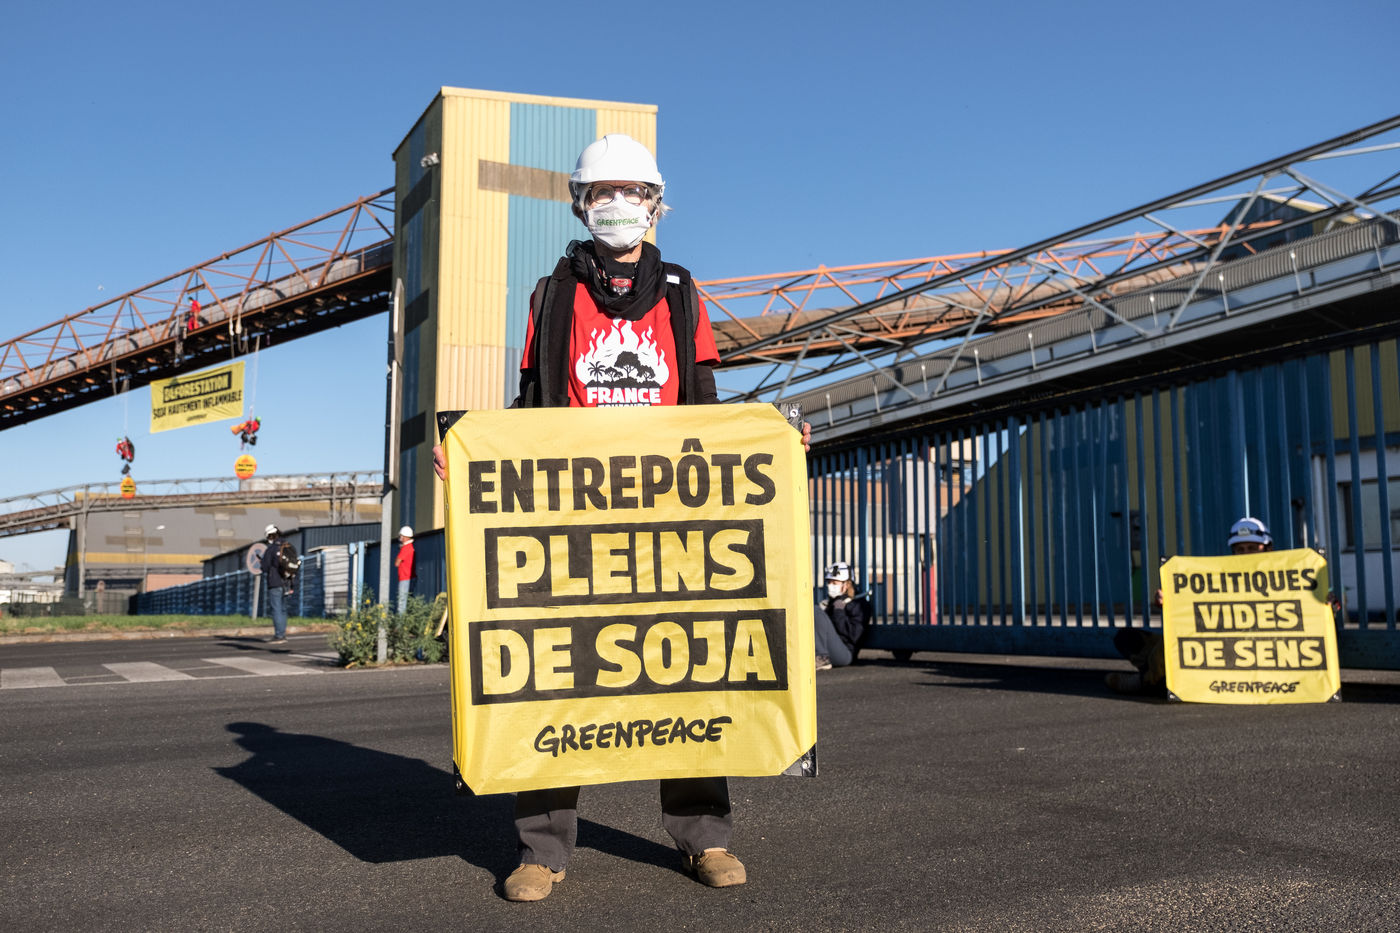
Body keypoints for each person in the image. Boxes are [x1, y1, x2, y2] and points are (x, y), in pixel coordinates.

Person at [432, 134, 810, 903]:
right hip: (573, 518)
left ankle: (704, 837)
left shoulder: (680, 291)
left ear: (654, 203)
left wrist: (768, 443)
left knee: (688, 666)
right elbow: (531, 404)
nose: (617, 204)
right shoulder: (552, 294)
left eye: (632, 191)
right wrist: (472, 456)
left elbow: (704, 402)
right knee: (556, 670)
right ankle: (541, 849)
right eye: (602, 191)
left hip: (668, 515)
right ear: (580, 204)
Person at [1107, 516, 1275, 696]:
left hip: (1250, 652)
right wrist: (1170, 601)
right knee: (1129, 638)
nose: (1245, 554)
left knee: (1170, 653)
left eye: (1252, 548)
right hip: (1213, 649)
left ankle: (1146, 682)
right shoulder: (1219, 578)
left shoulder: (1283, 579)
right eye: (1240, 549)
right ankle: (1157, 673)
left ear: (1267, 549)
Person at [814, 561, 870, 669]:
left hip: (845, 653)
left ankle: (822, 658)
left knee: (815, 610)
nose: (830, 586)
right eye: (829, 582)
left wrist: (838, 612)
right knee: (815, 611)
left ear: (847, 584)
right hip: (832, 650)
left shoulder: (859, 605)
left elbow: (854, 635)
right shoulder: (832, 603)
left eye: (835, 583)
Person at [258, 524, 293, 645]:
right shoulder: (288, 546)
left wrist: (261, 562)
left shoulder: (272, 549)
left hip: (275, 582)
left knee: (276, 609)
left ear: (270, 535)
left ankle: (279, 635)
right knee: (283, 609)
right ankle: (282, 634)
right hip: (287, 582)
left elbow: (265, 567)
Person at [394, 525, 415, 614]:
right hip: (408, 577)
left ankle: (401, 622)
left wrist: (401, 549)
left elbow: (397, 563)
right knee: (407, 601)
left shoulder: (406, 548)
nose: (400, 538)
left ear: (405, 537)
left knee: (402, 603)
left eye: (401, 536)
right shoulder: (410, 547)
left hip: (405, 577)